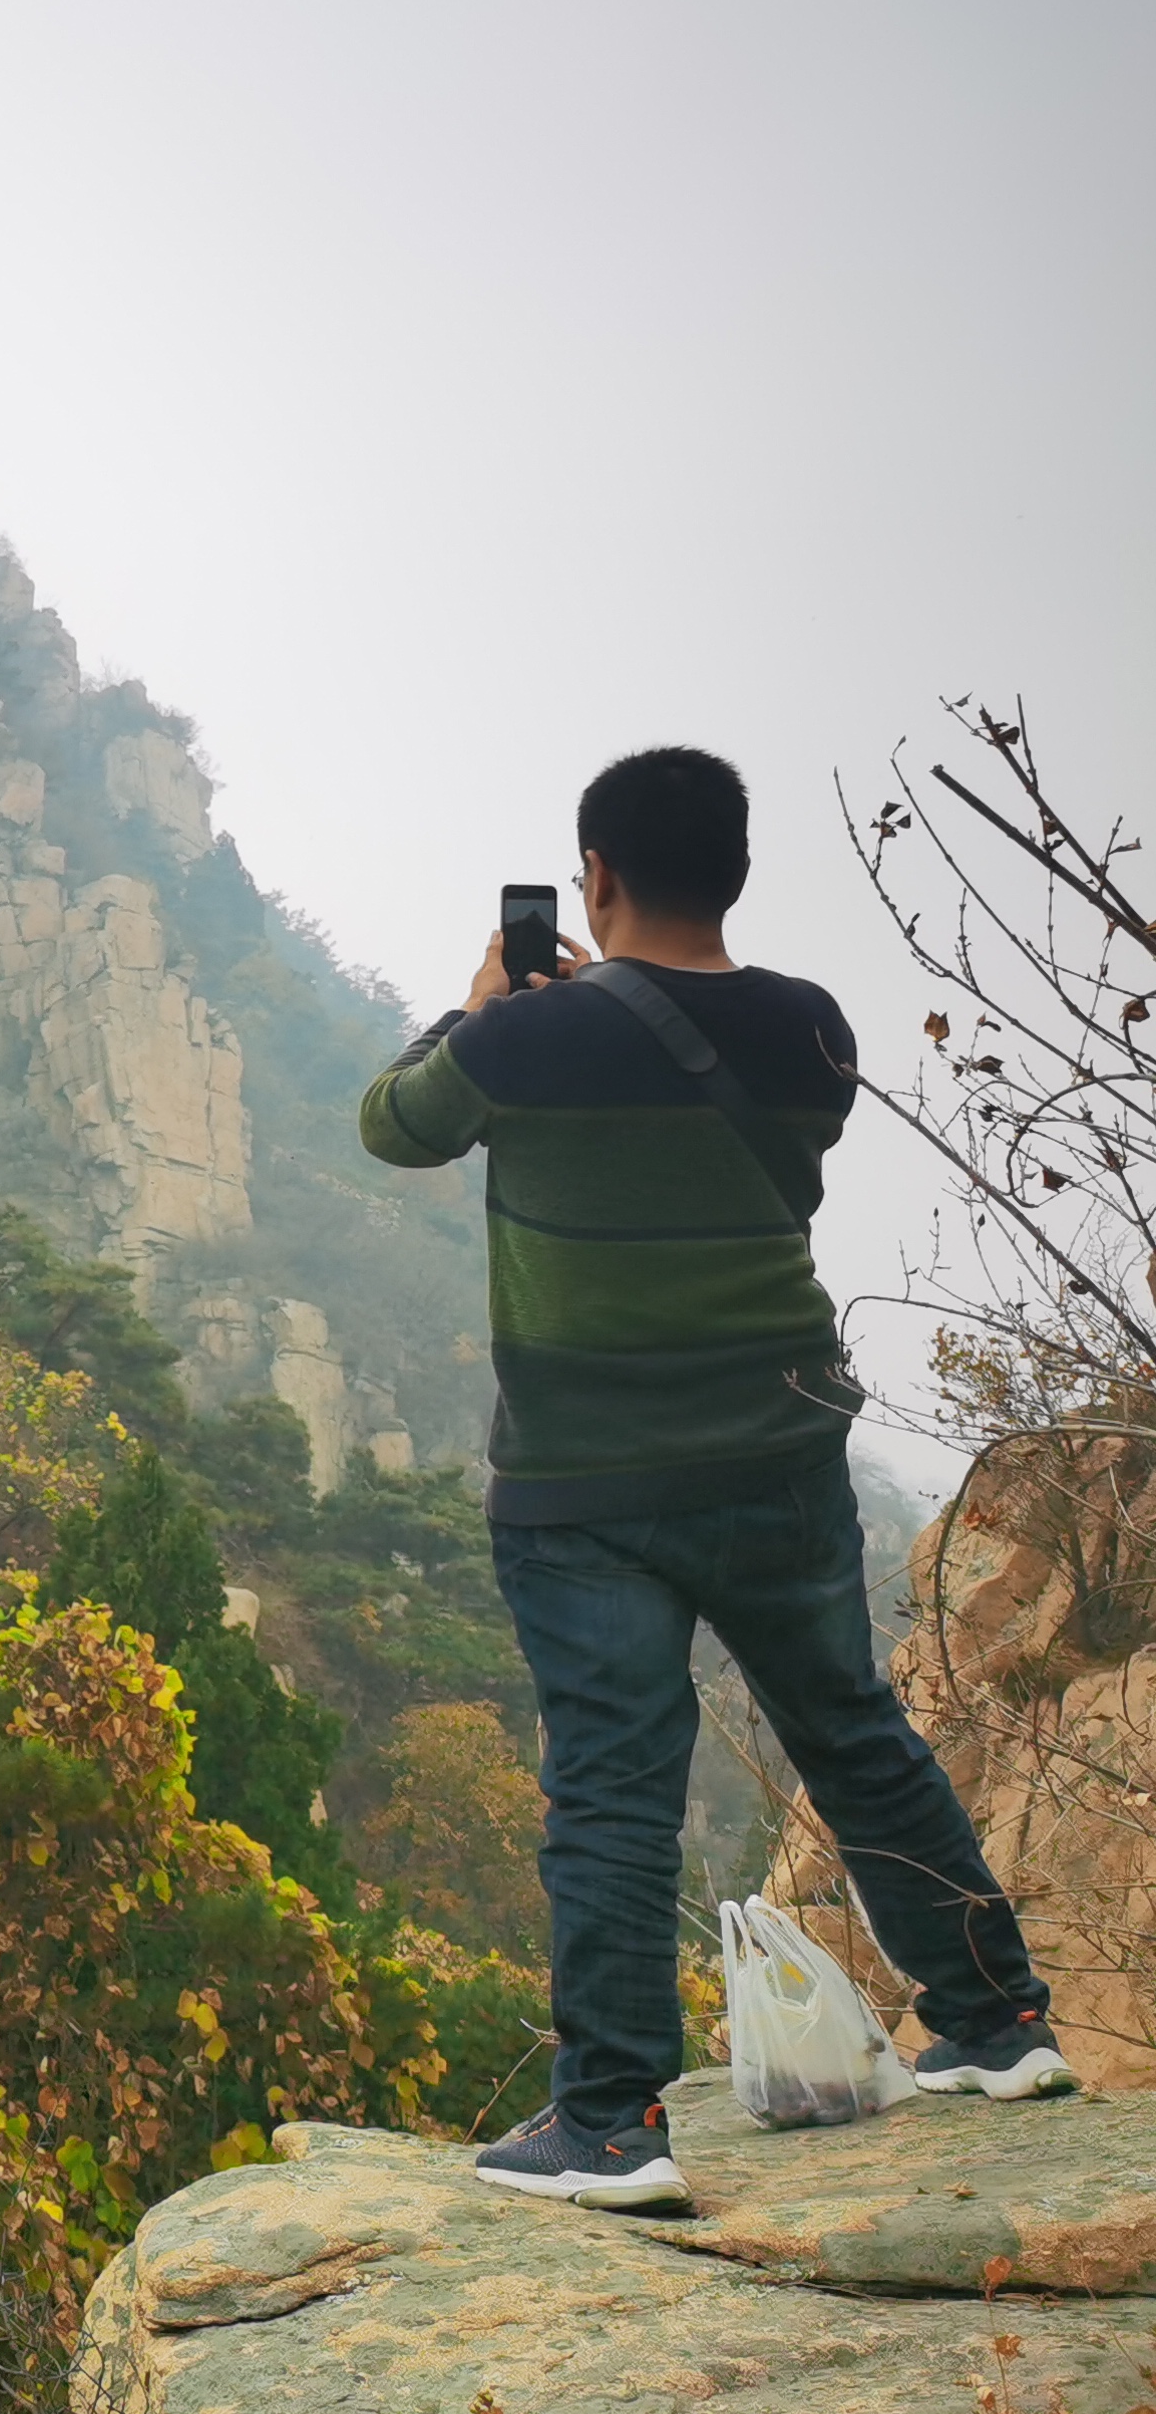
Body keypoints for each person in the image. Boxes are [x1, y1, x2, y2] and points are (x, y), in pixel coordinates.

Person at [361, 746, 1069, 2212]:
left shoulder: (522, 1045)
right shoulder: (812, 1030)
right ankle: (998, 2026)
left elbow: (398, 1125)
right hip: (781, 1449)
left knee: (615, 1784)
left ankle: (611, 2126)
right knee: (855, 1732)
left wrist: (482, 1007)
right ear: (734, 874)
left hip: (586, 1481)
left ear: (594, 880)